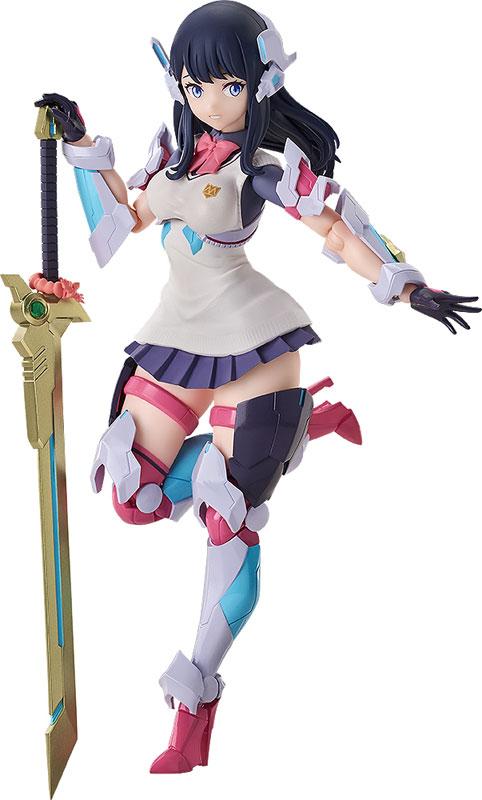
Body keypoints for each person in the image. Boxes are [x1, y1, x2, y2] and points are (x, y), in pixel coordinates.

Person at [34, 0, 479, 775]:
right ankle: (300, 428)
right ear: (179, 83)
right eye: (197, 84)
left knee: (229, 520)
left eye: (230, 87)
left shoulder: (261, 171)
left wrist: (406, 285)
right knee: (134, 493)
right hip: (176, 337)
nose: (212, 102)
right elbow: (122, 221)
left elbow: (335, 227)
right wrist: (77, 142)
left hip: (254, 342)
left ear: (259, 86)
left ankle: (193, 707)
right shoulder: (172, 157)